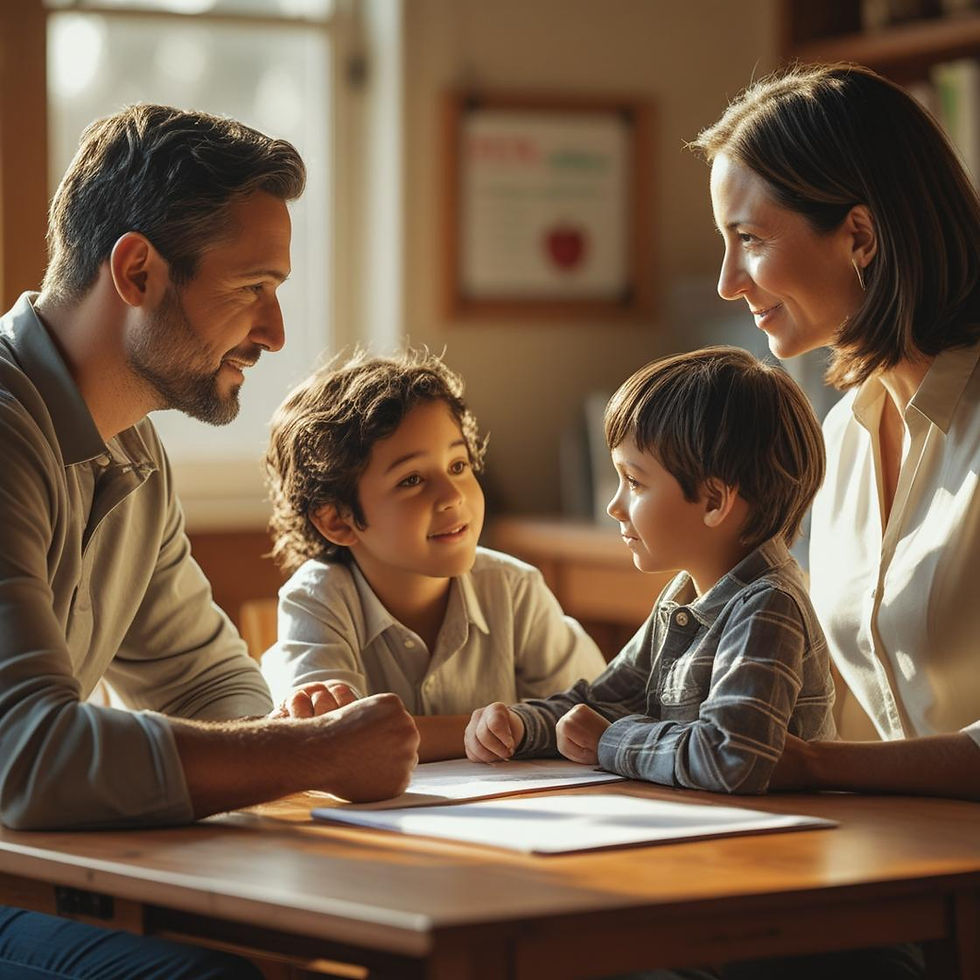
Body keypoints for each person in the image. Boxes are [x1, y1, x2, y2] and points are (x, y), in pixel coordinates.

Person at [0, 103, 417, 978]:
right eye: (250, 288)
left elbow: (203, 677)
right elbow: (28, 760)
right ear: (139, 271)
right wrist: (311, 753)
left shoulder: (129, 443)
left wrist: (287, 726)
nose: (274, 332)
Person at [692, 62, 980, 802]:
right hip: (895, 862)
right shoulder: (847, 434)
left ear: (860, 235)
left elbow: (833, 751)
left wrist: (815, 765)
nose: (728, 280)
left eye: (749, 237)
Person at [464, 346, 836, 795]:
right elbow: (602, 701)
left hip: (776, 845)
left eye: (634, 482)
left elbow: (732, 756)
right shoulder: (683, 597)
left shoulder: (768, 605)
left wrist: (610, 741)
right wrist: (521, 726)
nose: (614, 506)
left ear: (715, 501)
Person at [262, 349, 606, 759]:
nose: (452, 495)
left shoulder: (514, 589)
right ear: (337, 520)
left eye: (459, 465)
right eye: (412, 479)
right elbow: (333, 739)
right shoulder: (318, 599)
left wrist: (523, 727)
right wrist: (502, 730)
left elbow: (592, 716)